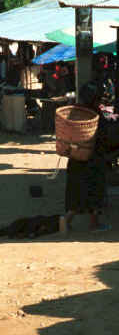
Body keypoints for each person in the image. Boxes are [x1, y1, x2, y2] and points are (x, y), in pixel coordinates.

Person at [61, 81, 110, 234]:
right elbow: (103, 137)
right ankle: (94, 224)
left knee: (77, 192)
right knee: (95, 190)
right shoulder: (95, 114)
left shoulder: (74, 112)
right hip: (93, 159)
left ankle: (66, 219)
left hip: (76, 158)